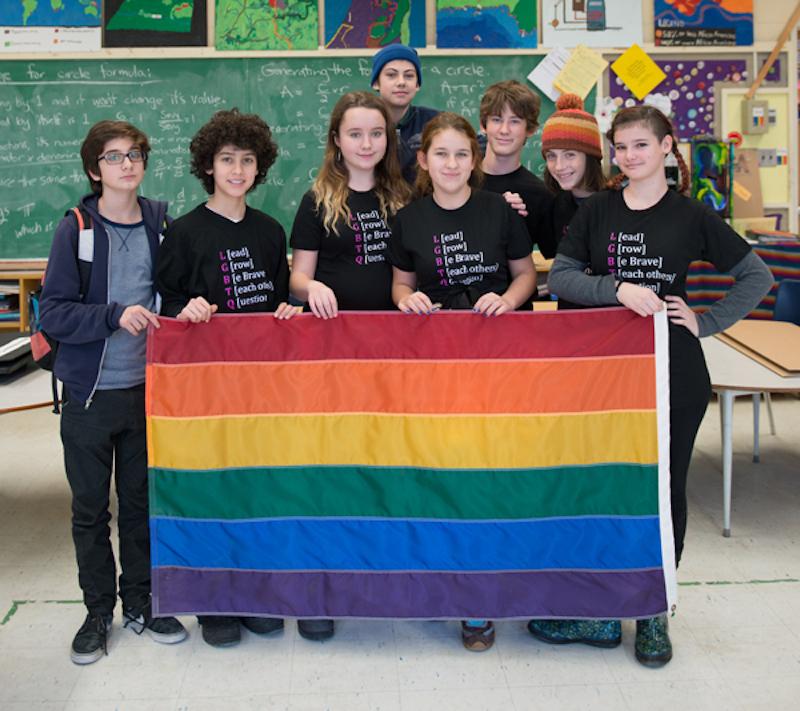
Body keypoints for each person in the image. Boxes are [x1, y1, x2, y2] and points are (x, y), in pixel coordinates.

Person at [546, 105, 773, 666]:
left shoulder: (690, 216)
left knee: (663, 488)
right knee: (604, 484)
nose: (628, 157)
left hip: (672, 366)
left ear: (668, 148)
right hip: (603, 369)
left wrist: (706, 320)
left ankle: (653, 611)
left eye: (641, 145)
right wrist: (617, 288)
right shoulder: (598, 209)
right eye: (620, 147)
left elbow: (756, 277)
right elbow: (561, 276)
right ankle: (601, 612)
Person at [40, 120, 188, 665]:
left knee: (141, 504)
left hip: (147, 391)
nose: (126, 164)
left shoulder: (160, 222)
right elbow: (52, 311)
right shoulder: (75, 228)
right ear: (93, 169)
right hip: (88, 394)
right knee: (88, 509)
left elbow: (171, 294)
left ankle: (142, 604)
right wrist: (111, 315)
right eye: (113, 157)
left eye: (135, 154)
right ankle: (97, 611)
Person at [389, 113, 536, 652]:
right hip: (432, 367)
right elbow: (400, 287)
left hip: (495, 364)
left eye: (461, 154)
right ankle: (436, 584)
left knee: (488, 478)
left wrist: (511, 299)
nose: (451, 164)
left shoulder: (498, 211)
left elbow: (525, 273)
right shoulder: (409, 218)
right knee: (436, 476)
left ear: (474, 161)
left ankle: (482, 598)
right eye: (441, 154)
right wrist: (409, 300)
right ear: (423, 161)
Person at [156, 108, 297, 648]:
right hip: (206, 391)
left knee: (257, 489)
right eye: (226, 160)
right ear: (208, 166)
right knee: (214, 491)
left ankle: (254, 594)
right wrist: (183, 309)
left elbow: (280, 300)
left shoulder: (269, 231)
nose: (237, 170)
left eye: (247, 160)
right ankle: (215, 601)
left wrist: (288, 312)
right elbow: (165, 305)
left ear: (258, 168)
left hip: (262, 388)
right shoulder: (185, 232)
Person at [290, 91, 411, 317]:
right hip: (330, 328)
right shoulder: (316, 201)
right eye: (355, 135)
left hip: (391, 327)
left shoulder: (403, 198)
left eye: (376, 134)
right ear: (337, 139)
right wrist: (311, 286)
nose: (367, 144)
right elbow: (297, 279)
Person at [479, 80, 555, 260]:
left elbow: (557, 261)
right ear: (484, 125)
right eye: (496, 120)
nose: (504, 130)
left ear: (530, 129)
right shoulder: (459, 182)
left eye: (514, 121)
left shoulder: (540, 195)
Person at [370, 43, 439, 184]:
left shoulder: (436, 122)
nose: (401, 82)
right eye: (391, 75)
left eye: (409, 76)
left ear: (417, 84)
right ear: (376, 83)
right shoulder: (362, 122)